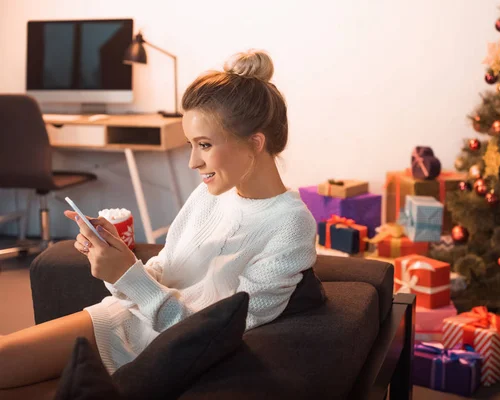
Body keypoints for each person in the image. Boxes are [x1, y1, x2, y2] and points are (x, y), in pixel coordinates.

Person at [0, 49, 318, 388]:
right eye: (191, 145)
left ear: (255, 142)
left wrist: (127, 275)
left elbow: (211, 336)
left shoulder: (290, 224)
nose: (193, 162)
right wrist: (117, 264)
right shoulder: (209, 195)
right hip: (122, 322)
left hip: (162, 352)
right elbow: (164, 271)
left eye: (205, 145)